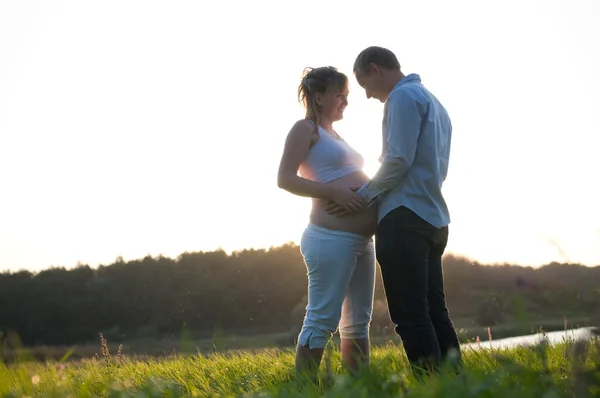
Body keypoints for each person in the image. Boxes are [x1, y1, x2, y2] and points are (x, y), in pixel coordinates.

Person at [326, 46, 462, 377]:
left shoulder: (401, 98)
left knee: (410, 314)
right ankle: (457, 386)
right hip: (433, 218)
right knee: (434, 312)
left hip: (404, 219)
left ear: (375, 68)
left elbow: (398, 159)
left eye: (365, 86)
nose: (369, 96)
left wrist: (364, 195)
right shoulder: (435, 102)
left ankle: (433, 387)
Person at [277, 66, 378, 381]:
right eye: (340, 95)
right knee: (321, 319)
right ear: (319, 97)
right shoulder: (305, 129)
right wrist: (332, 190)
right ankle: (303, 387)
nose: (346, 101)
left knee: (358, 321)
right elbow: (284, 179)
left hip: (363, 241)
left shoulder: (337, 136)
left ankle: (357, 387)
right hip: (330, 238)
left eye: (347, 96)